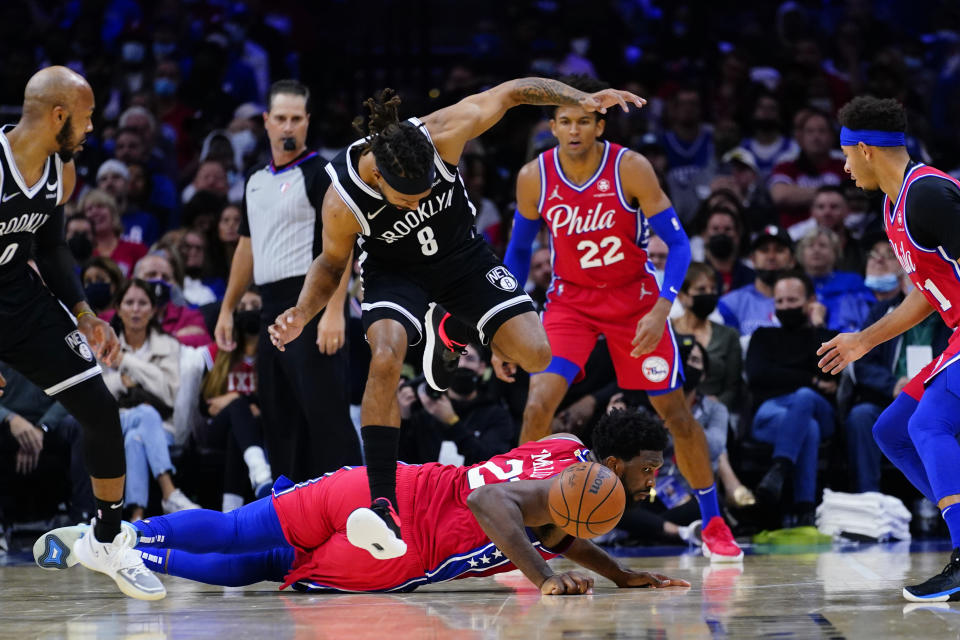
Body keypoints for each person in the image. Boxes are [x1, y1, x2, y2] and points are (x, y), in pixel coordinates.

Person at [267, 75, 648, 559]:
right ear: (380, 178)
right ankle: (383, 503)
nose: (423, 202)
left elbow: (512, 92)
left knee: (536, 354)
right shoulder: (342, 197)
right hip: (395, 273)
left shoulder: (444, 130)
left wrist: (581, 98)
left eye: (428, 192)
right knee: (385, 356)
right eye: (411, 200)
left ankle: (451, 326)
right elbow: (330, 264)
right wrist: (303, 312)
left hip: (462, 258)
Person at [36, 410, 690, 595]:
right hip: (401, 552)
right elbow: (496, 503)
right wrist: (547, 580)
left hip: (386, 487)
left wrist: (620, 574)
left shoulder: (564, 444)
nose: (652, 483)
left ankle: (124, 538)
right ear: (608, 469)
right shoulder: (577, 495)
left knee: (244, 532)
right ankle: (129, 549)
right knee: (269, 563)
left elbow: (556, 531)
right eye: (648, 470)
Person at [502, 75, 741, 561]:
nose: (573, 131)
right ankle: (526, 527)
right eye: (564, 122)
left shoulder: (630, 168)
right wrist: (502, 322)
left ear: (599, 123)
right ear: (552, 125)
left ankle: (714, 520)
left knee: (676, 416)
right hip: (570, 305)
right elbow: (519, 252)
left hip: (635, 305)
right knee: (536, 406)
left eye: (583, 121)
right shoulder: (534, 177)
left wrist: (661, 308)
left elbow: (677, 246)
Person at [0, 66, 163, 599]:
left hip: (21, 303)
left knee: (99, 408)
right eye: (88, 116)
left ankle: (108, 539)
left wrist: (85, 313)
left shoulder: (57, 170)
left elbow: (50, 247)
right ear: (59, 115)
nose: (94, 127)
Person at [818, 97, 960, 601]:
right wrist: (863, 341)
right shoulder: (892, 203)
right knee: (893, 430)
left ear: (864, 149)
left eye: (846, 155)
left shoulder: (929, 196)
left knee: (928, 425)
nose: (844, 165)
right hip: (956, 331)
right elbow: (926, 291)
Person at [215, 80, 361, 484]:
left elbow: (343, 243)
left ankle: (357, 512)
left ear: (308, 121)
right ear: (266, 121)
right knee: (280, 420)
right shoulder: (255, 180)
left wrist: (335, 312)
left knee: (326, 418)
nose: (288, 127)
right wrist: (228, 307)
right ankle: (291, 521)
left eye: (296, 118)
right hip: (268, 308)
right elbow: (246, 248)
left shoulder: (321, 174)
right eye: (280, 118)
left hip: (312, 303)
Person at [846, 241, 950, 493]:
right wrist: (893, 384)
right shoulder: (882, 311)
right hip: (890, 394)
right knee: (864, 418)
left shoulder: (950, 312)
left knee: (934, 422)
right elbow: (863, 363)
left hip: (938, 391)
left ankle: (944, 500)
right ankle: (868, 496)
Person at [747, 271, 837, 525]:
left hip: (819, 409)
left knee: (805, 398)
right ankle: (805, 508)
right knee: (807, 427)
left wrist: (818, 326)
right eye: (780, 302)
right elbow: (758, 376)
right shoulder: (763, 336)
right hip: (771, 413)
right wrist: (809, 379)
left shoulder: (824, 336)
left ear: (810, 302)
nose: (785, 307)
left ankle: (779, 468)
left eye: (793, 301)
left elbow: (829, 373)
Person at [105, 279, 199, 520]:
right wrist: (121, 382)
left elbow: (168, 392)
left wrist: (126, 362)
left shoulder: (168, 345)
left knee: (136, 439)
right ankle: (170, 491)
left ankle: (137, 517)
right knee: (145, 414)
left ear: (153, 309)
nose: (136, 309)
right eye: (129, 303)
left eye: (142, 303)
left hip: (162, 427)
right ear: (118, 308)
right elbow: (98, 390)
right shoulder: (105, 345)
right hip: (115, 422)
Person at [672, 263, 743, 412]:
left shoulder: (729, 335)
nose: (709, 294)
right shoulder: (666, 331)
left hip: (713, 412)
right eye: (701, 289)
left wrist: (716, 408)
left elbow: (732, 387)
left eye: (713, 289)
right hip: (669, 408)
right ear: (682, 295)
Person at [716, 225, 798, 336]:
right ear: (753, 259)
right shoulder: (731, 303)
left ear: (792, 259)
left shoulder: (807, 302)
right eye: (764, 250)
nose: (771, 256)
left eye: (779, 250)